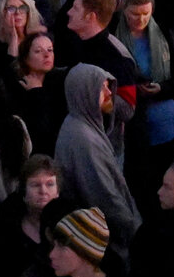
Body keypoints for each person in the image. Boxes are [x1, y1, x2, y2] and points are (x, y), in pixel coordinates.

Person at [53, 61, 142, 259]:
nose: (109, 92)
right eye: (101, 88)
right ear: (85, 93)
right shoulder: (84, 140)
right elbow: (105, 197)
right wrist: (134, 230)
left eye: (107, 85)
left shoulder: (80, 126)